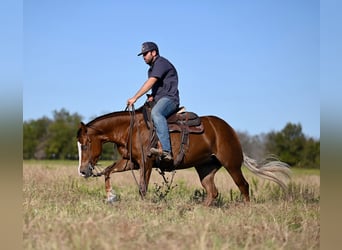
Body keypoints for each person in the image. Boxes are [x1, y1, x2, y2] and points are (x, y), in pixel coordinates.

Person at [127, 42, 180, 161]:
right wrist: (152, 96)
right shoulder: (152, 68)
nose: (143, 57)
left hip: (170, 99)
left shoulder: (161, 63)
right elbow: (158, 86)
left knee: (156, 113)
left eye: (145, 54)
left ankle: (166, 151)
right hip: (160, 98)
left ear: (154, 52)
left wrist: (135, 97)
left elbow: (151, 82)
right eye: (142, 54)